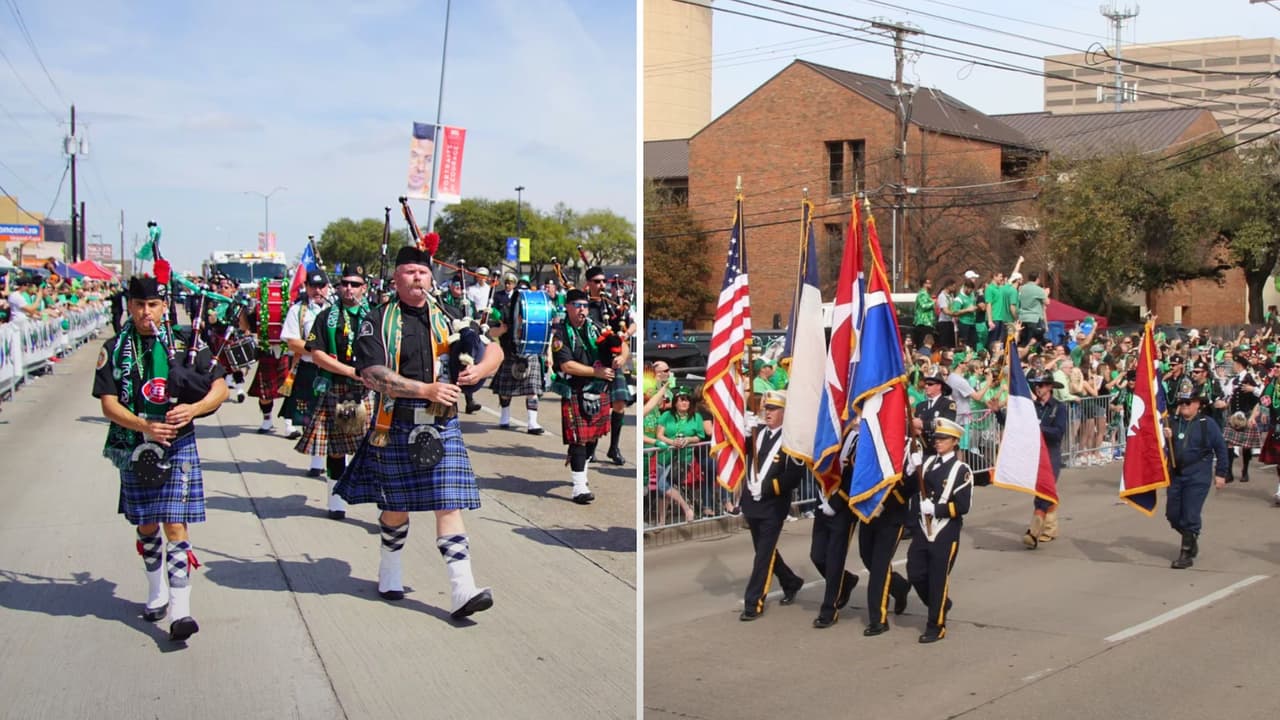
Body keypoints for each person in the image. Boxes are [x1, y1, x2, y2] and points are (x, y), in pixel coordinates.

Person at [334, 244, 503, 620]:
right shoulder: (376, 320)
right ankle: (390, 567)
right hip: (394, 422)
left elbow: (494, 349)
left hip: (442, 421)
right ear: (395, 278)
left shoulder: (450, 315)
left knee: (449, 502)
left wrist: (480, 370)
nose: (417, 278)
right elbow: (372, 374)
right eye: (409, 272)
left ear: (431, 278)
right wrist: (424, 389)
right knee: (396, 507)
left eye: (422, 273)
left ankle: (462, 589)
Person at [92, 276, 229, 642]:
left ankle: (181, 612)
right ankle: (157, 593)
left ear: (163, 306)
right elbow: (108, 404)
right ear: (130, 306)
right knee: (147, 525)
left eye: (152, 305)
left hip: (179, 444)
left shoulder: (185, 344)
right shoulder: (114, 347)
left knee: (175, 526)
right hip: (135, 445)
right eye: (139, 305)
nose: (145, 312)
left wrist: (194, 408)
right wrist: (144, 426)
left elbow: (220, 387)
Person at [297, 264, 373, 520]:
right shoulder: (326, 317)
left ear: (364, 288)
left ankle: (377, 500)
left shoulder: (375, 317)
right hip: (340, 386)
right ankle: (336, 500)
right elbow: (317, 355)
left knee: (371, 448)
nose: (348, 288)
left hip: (369, 389)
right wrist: (350, 372)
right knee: (337, 448)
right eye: (345, 283)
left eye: (354, 284)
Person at [550, 288, 628, 504]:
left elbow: (622, 345)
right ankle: (579, 487)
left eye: (584, 305)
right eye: (577, 305)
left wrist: (621, 357)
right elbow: (567, 365)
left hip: (597, 388)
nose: (582, 310)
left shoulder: (595, 327)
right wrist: (597, 372)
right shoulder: (561, 334)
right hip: (574, 388)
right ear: (567, 307)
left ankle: (580, 470)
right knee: (578, 440)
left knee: (591, 437)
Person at [739, 390, 805, 621]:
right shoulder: (757, 434)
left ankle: (753, 603)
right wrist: (743, 434)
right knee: (764, 551)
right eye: (766, 408)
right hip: (752, 503)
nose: (768, 413)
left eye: (773, 409)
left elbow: (794, 476)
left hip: (773, 506)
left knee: (762, 557)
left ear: (785, 413)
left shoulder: (790, 440)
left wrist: (767, 488)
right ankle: (791, 581)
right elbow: (741, 455)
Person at [905, 417, 972, 643]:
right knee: (915, 572)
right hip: (924, 529)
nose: (938, 442)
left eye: (943, 439)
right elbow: (913, 489)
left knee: (937, 579)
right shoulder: (929, 463)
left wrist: (936, 508)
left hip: (945, 531)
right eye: (936, 438)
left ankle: (936, 625)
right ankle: (941, 604)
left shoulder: (962, 470)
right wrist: (912, 470)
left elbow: (962, 506)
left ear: (954, 441)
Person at [1164, 387, 1229, 569]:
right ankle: (1191, 537)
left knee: (1190, 514)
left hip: (1198, 474)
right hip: (1176, 475)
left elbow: (1221, 448)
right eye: (1181, 402)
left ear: (1197, 404)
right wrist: (1164, 437)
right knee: (1173, 514)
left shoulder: (1207, 423)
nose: (1184, 406)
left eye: (1188, 402)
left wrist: (1221, 473)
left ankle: (1185, 554)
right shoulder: (1172, 422)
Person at [280, 272, 331, 476]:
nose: (318, 291)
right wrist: (320, 351)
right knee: (311, 416)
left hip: (333, 370)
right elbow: (292, 342)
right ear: (307, 287)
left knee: (336, 416)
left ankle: (335, 462)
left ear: (327, 287)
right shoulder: (297, 311)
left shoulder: (337, 309)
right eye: (313, 286)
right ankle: (317, 461)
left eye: (321, 286)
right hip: (309, 368)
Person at [808, 430, 860, 629]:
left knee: (834, 559)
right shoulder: (826, 433)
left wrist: (837, 502)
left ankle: (829, 610)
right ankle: (846, 581)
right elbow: (819, 464)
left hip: (843, 508)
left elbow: (855, 476)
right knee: (817, 556)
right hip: (823, 502)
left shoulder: (856, 440)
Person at [584, 265, 635, 466]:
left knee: (620, 404)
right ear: (588, 284)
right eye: (597, 281)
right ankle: (591, 447)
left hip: (613, 363)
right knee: (596, 407)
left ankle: (614, 448)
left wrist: (622, 358)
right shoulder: (583, 306)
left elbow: (624, 338)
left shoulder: (613, 307)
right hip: (593, 363)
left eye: (603, 281)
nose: (601, 285)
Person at [488, 288, 546, 435]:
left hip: (530, 353)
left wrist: (548, 356)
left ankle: (532, 422)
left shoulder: (537, 314)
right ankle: (505, 415)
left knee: (533, 390)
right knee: (506, 392)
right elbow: (490, 332)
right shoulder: (506, 312)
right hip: (510, 353)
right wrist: (502, 329)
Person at [1023, 372, 1067, 549]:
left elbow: (1058, 433)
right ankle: (1050, 528)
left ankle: (1033, 532)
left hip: (1051, 454)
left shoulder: (1059, 408)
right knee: (1045, 491)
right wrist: (997, 414)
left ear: (1049, 387)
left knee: (1042, 493)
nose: (1037, 388)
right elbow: (1017, 425)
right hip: (1034, 455)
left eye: (1041, 385)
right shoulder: (1031, 406)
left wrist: (1039, 428)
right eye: (1035, 385)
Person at [439, 274, 482, 414]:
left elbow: (475, 319)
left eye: (461, 286)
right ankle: (449, 404)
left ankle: (469, 400)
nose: (458, 288)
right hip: (448, 335)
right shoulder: (443, 299)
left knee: (466, 363)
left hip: (465, 336)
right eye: (456, 286)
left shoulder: (468, 302)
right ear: (451, 286)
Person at [1221, 354, 1263, 484]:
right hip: (1234, 416)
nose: (1233, 366)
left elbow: (1262, 394)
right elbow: (1228, 394)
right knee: (1228, 443)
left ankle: (1245, 471)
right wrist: (1222, 379)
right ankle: (1229, 472)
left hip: (1247, 414)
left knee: (1246, 446)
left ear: (1239, 365)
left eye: (1234, 364)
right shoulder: (1234, 380)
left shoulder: (1250, 377)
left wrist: (1253, 388)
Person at [912, 367, 956, 459]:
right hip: (922, 450)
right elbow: (915, 426)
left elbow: (945, 424)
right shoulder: (920, 406)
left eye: (930, 384)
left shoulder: (948, 404)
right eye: (925, 384)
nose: (926, 386)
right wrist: (914, 428)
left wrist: (922, 425)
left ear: (939, 386)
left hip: (939, 450)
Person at [1016, 272, 1049, 346]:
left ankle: (1023, 355)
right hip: (1035, 319)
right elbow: (1047, 302)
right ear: (1037, 279)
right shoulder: (1038, 289)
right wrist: (1046, 293)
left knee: (1024, 340)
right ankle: (1032, 354)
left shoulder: (1021, 288)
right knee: (1034, 341)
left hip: (1023, 318)